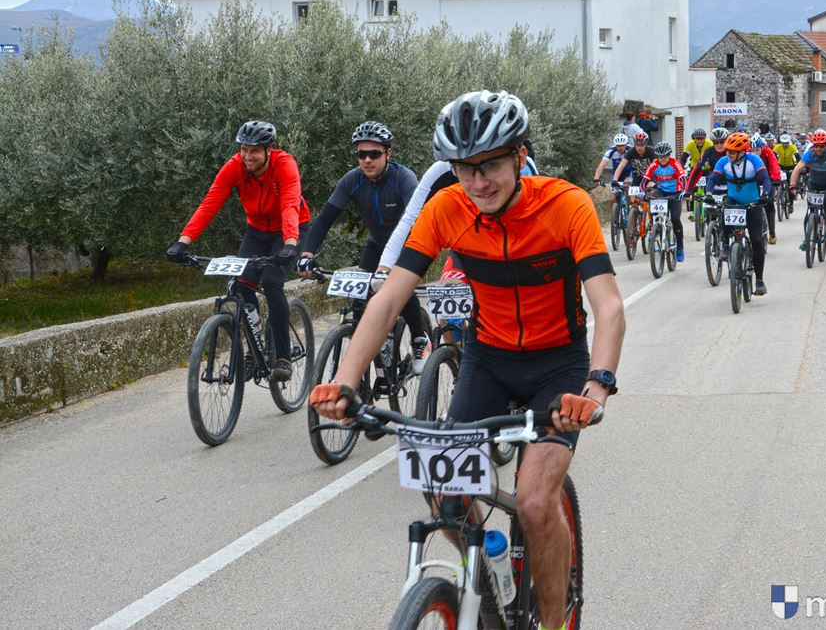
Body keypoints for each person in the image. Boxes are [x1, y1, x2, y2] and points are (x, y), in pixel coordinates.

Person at [308, 90, 625, 630]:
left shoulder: (566, 205)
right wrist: (344, 380)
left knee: (533, 502)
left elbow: (609, 306)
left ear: (520, 156)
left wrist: (596, 387)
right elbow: (389, 299)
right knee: (444, 494)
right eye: (464, 169)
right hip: (488, 359)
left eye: (491, 165)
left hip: (559, 365)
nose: (479, 183)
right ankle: (488, 591)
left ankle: (553, 623)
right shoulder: (446, 208)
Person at [166, 120, 311, 381]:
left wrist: (290, 243)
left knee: (272, 282)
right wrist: (183, 242)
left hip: (290, 229)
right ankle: (254, 348)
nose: (247, 156)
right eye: (244, 149)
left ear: (269, 150)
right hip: (257, 230)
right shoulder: (235, 166)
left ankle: (283, 357)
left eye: (254, 151)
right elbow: (211, 202)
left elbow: (290, 203)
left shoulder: (284, 164)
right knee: (242, 284)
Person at [297, 120, 430, 373]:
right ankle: (367, 361)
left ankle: (419, 338)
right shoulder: (352, 180)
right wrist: (306, 254)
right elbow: (325, 220)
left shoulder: (404, 178)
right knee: (359, 301)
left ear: (388, 153)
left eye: (374, 154)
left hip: (407, 244)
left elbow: (418, 221)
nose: (367, 160)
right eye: (361, 154)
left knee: (400, 288)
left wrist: (395, 267)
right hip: (376, 244)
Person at [706, 131, 772, 295]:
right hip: (733, 200)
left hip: (752, 203)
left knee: (757, 241)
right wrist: (708, 193)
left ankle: (759, 280)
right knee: (724, 207)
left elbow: (765, 178)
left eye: (732, 152)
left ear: (742, 152)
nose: (728, 154)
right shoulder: (723, 162)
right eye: (728, 151)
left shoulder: (754, 160)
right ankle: (725, 245)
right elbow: (713, 178)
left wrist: (765, 195)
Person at [788, 129, 826, 247]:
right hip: (814, 182)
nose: (818, 149)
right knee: (809, 210)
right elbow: (797, 169)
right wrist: (793, 185)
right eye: (816, 146)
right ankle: (807, 239)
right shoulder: (810, 153)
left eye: (821, 146)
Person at [641, 141, 687, 262]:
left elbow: (683, 178)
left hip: (675, 193)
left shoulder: (675, 163)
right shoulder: (654, 165)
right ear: (657, 156)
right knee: (653, 203)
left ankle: (680, 247)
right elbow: (644, 180)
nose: (663, 159)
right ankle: (655, 228)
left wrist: (684, 191)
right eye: (660, 156)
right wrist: (642, 192)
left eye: (665, 156)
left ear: (669, 155)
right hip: (661, 191)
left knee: (675, 219)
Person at [752, 134, 781, 245]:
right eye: (753, 150)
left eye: (757, 150)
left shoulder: (768, 153)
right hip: (753, 181)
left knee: (769, 204)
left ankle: (772, 233)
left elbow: (774, 165)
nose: (755, 153)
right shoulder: (748, 154)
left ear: (762, 148)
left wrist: (776, 178)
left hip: (767, 180)